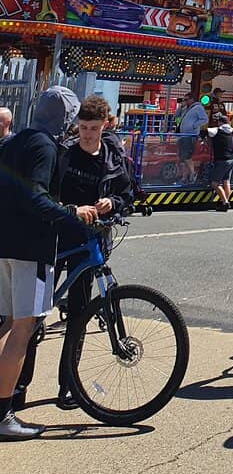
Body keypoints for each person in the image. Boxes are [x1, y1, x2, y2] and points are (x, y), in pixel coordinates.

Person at [0, 87, 97, 440]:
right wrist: (73, 213)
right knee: (23, 329)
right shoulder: (43, 146)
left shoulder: (14, 141)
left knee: (8, 323)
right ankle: (3, 415)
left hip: (5, 244)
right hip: (31, 247)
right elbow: (36, 197)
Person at [54, 94, 136, 409]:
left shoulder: (113, 158)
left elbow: (126, 194)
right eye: (83, 127)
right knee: (32, 314)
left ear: (104, 126)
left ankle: (68, 386)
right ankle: (17, 389)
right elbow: (49, 193)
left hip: (90, 243)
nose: (87, 134)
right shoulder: (65, 155)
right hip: (58, 237)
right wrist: (71, 209)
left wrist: (111, 203)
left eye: (93, 128)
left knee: (79, 314)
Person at [200, 112, 233, 212]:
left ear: (220, 123)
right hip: (231, 159)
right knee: (226, 181)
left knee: (215, 183)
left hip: (221, 160)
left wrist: (203, 139)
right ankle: (224, 202)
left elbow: (204, 131)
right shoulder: (232, 131)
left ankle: (225, 202)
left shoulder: (217, 130)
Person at [174, 92, 208, 183]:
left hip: (190, 135)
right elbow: (175, 115)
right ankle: (184, 177)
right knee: (183, 157)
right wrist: (181, 106)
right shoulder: (186, 108)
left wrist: (194, 125)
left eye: (186, 99)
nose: (185, 101)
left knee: (186, 156)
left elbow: (204, 119)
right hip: (182, 135)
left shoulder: (198, 108)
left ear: (192, 99)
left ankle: (193, 173)